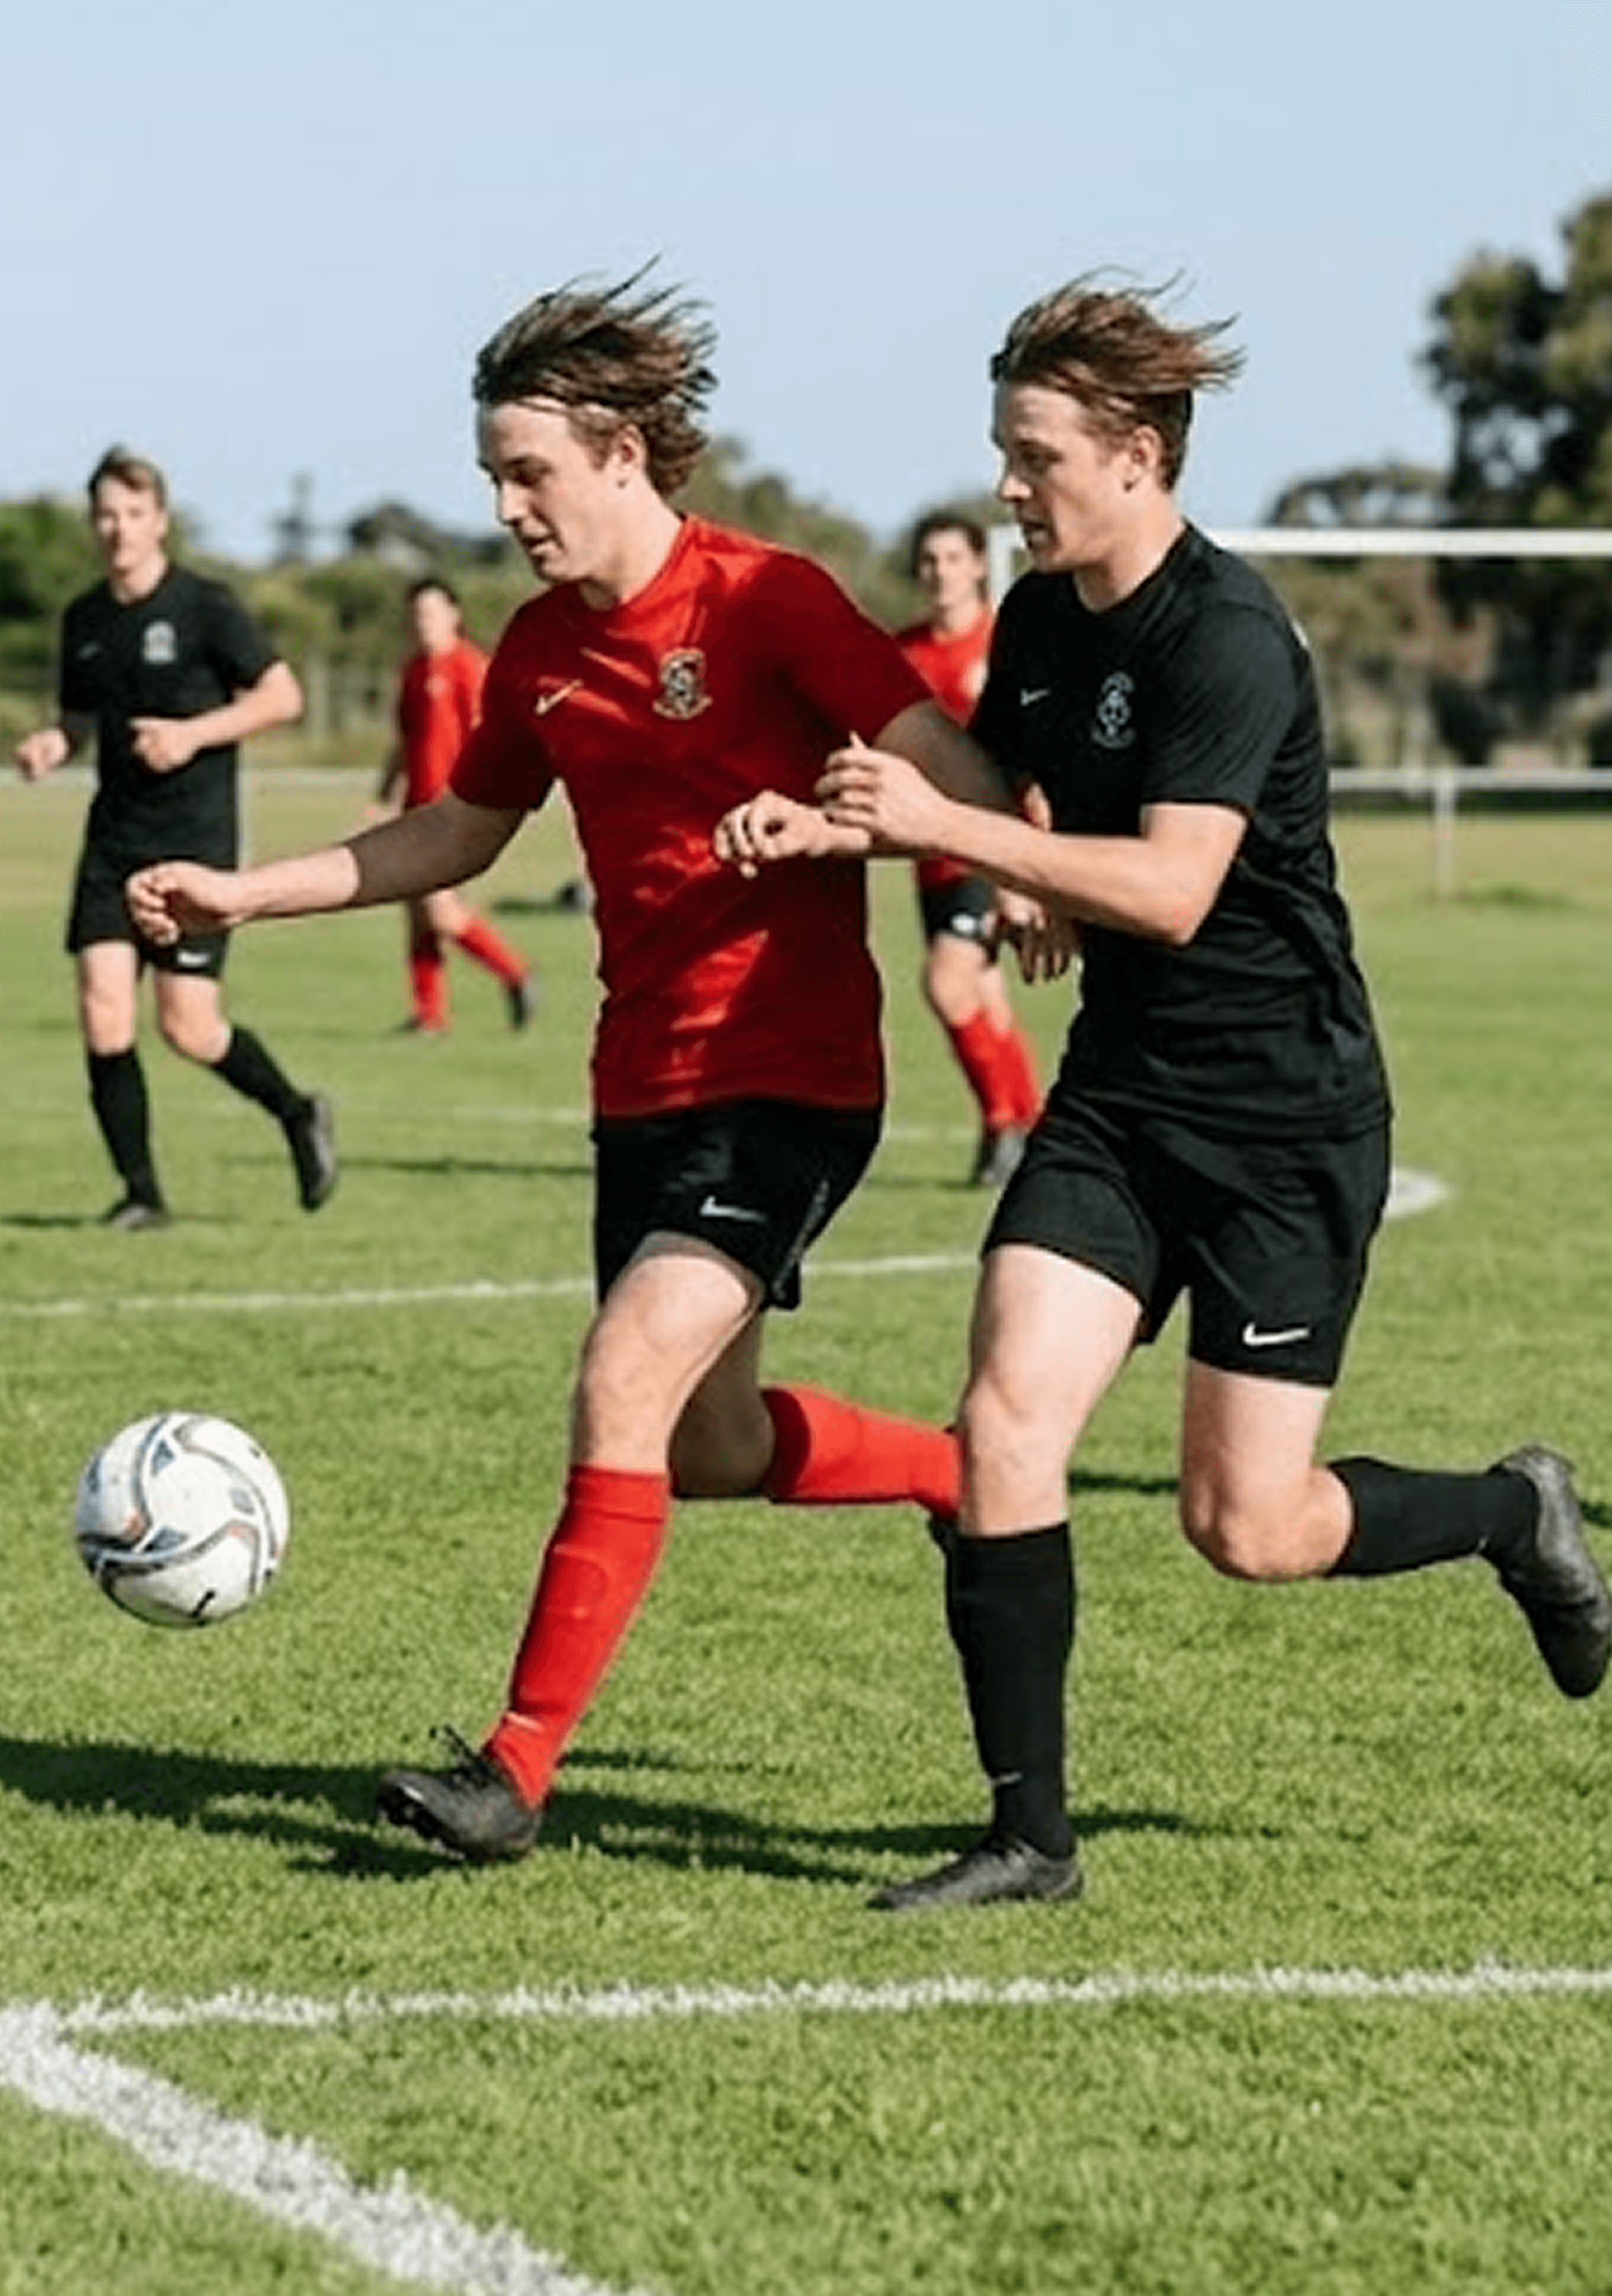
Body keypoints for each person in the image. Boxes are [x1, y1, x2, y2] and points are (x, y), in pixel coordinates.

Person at [746, 275, 1612, 1912]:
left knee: (1248, 1522)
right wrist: (885, 825)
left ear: (1135, 456)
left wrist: (971, 843)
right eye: (1005, 452)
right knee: (1003, 1422)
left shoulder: (1227, 635)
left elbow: (1169, 888)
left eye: (1035, 456)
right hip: (1119, 1103)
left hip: (1285, 1120)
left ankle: (1515, 1509)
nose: (1008, 486)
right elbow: (1001, 780)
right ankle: (1029, 1839)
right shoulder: (1040, 617)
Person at [127, 270, 996, 1866]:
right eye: (490, 477)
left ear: (621, 453)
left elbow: (949, 776)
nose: (506, 508)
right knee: (706, 1443)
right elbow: (457, 832)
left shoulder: (768, 598)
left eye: (526, 473)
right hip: (638, 1085)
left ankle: (513, 1771)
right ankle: (960, 1472)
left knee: (621, 1369)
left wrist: (886, 840)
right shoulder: (535, 649)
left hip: (791, 1074)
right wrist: (248, 892)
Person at [13, 446, 337, 1230]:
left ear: (159, 520)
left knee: (187, 1027)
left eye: (133, 514)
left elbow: (282, 696)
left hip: (194, 840)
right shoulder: (84, 618)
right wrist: (53, 743)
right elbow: (78, 720)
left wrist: (193, 734)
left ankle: (296, 1111)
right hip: (112, 841)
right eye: (105, 515)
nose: (118, 529)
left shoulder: (205, 607)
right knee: (102, 1013)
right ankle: (142, 1195)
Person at [895, 511, 1042, 1186]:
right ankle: (1029, 1123)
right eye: (929, 560)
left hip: (987, 846)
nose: (940, 572)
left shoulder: (1005, 644)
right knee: (984, 995)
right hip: (928, 855)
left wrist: (1027, 859)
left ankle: (1002, 1125)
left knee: (946, 982)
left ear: (980, 565)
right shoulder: (904, 651)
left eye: (953, 558)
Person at [376, 576, 539, 1034]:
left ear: (454, 614)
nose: (422, 622)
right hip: (415, 808)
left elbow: (491, 735)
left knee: (439, 910)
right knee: (417, 914)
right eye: (416, 614)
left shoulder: (469, 668)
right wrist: (383, 793)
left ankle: (516, 974)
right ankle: (430, 1015)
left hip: (452, 808)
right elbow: (405, 740)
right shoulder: (413, 670)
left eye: (431, 612)